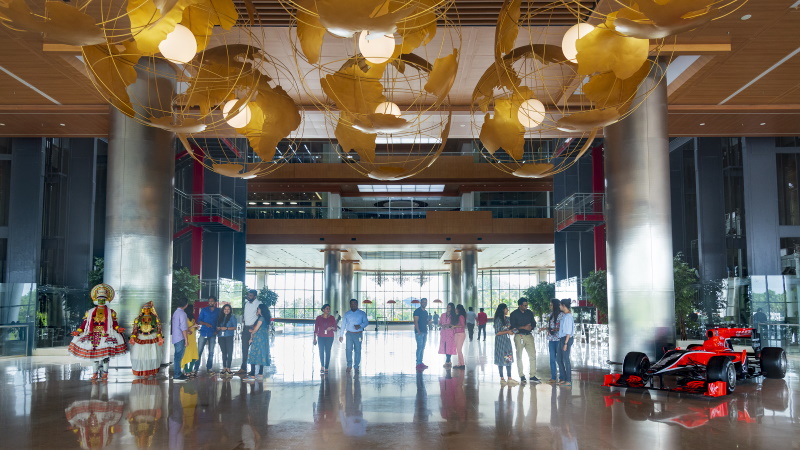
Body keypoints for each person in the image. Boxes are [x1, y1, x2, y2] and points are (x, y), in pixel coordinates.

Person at [68, 284, 128, 382]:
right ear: (96, 299)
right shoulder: (90, 312)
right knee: (94, 357)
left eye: (103, 299)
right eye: (99, 299)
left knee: (105, 357)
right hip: (93, 335)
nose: (101, 301)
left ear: (107, 299)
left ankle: (105, 374)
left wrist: (118, 329)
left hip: (106, 335)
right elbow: (84, 325)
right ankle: (95, 374)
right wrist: (78, 331)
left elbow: (114, 324)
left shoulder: (111, 312)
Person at [129, 301, 164, 379]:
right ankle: (145, 371)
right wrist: (133, 336)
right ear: (142, 310)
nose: (146, 310)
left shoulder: (155, 318)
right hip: (141, 337)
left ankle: (152, 370)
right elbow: (135, 329)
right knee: (142, 356)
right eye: (145, 309)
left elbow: (158, 329)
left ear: (151, 309)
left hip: (152, 337)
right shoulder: (138, 319)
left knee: (153, 354)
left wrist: (159, 336)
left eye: (148, 308)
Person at [509, 297, 540, 383]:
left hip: (529, 336)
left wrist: (531, 327)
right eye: (525, 305)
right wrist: (523, 327)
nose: (526, 307)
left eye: (527, 305)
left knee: (532, 355)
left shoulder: (529, 313)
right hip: (519, 336)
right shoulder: (513, 314)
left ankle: (532, 375)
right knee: (519, 356)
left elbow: (534, 323)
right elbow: (513, 327)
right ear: (520, 305)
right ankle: (521, 375)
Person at [340, 299, 369, 373]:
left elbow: (366, 322)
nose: (353, 305)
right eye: (352, 304)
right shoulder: (347, 314)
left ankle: (356, 366)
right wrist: (341, 335)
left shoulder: (362, 313)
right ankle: (349, 365)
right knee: (348, 349)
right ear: (350, 305)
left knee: (358, 350)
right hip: (349, 334)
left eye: (354, 304)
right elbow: (343, 325)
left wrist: (360, 326)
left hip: (358, 334)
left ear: (357, 304)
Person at [245, 304, 271, 381]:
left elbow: (256, 329)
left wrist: (251, 333)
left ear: (261, 310)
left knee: (253, 354)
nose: (257, 310)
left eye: (258, 309)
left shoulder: (261, 318)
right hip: (264, 339)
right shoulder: (266, 318)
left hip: (258, 339)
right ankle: (260, 373)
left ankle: (252, 375)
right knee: (262, 354)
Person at [196, 296, 222, 374]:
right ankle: (196, 368)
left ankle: (209, 368)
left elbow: (220, 321)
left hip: (213, 333)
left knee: (211, 352)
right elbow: (199, 321)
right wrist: (206, 324)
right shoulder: (204, 310)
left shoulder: (218, 311)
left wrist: (217, 331)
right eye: (209, 301)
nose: (211, 302)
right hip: (203, 332)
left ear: (215, 302)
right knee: (199, 351)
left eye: (212, 301)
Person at [239, 290, 262, 374]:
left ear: (255, 296)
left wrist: (254, 327)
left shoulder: (259, 303)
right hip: (245, 329)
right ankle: (243, 368)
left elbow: (260, 317)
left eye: (250, 295)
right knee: (244, 349)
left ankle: (254, 370)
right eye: (248, 295)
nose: (249, 297)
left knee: (254, 350)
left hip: (254, 329)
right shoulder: (246, 304)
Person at [493, 303, 517, 385]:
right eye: (506, 308)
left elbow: (511, 327)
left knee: (508, 357)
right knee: (500, 358)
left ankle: (509, 378)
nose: (507, 310)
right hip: (500, 342)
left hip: (507, 341)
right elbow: (497, 332)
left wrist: (513, 331)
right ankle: (502, 378)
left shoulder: (507, 319)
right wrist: (507, 332)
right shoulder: (498, 320)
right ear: (502, 309)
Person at [171, 297, 190, 380]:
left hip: (176, 337)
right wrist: (186, 340)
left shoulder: (176, 312)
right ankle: (177, 374)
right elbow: (183, 328)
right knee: (178, 357)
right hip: (180, 338)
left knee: (177, 357)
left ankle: (178, 373)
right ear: (186, 305)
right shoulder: (182, 313)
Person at [314, 303, 337, 375]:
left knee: (327, 352)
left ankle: (326, 367)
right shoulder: (318, 318)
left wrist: (331, 328)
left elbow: (335, 328)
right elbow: (316, 329)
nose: (328, 310)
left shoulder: (332, 318)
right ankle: (322, 366)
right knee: (321, 351)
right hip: (320, 337)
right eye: (327, 308)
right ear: (323, 309)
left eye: (329, 309)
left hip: (329, 337)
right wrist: (314, 339)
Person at [557, 299, 575, 387]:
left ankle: (568, 380)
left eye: (560, 305)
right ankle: (563, 378)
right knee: (559, 359)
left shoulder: (568, 317)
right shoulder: (565, 315)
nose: (559, 306)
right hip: (562, 338)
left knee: (566, 359)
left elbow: (568, 332)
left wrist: (565, 343)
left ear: (564, 305)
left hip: (566, 339)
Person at [217, 304, 237, 377]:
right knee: (224, 352)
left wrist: (227, 328)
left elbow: (235, 327)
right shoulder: (220, 317)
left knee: (229, 352)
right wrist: (218, 328)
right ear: (223, 310)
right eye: (225, 309)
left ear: (230, 310)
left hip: (229, 336)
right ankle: (224, 368)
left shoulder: (232, 317)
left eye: (228, 309)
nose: (226, 310)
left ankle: (228, 368)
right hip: (221, 336)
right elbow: (217, 326)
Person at [545, 299, 562, 383]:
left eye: (551, 305)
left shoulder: (561, 315)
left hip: (558, 339)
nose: (550, 306)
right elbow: (549, 326)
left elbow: (562, 327)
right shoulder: (550, 315)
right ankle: (553, 377)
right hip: (551, 339)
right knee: (552, 359)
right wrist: (546, 329)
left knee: (559, 359)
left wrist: (555, 329)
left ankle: (562, 377)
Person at [413, 298, 431, 371]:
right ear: (420, 303)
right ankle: (418, 363)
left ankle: (421, 362)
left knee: (422, 348)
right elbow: (416, 322)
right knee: (419, 348)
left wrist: (428, 322)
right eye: (423, 302)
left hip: (424, 331)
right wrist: (418, 331)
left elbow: (425, 322)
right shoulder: (417, 311)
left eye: (425, 302)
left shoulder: (426, 312)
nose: (424, 303)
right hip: (419, 332)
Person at [181, 309, 200, 376]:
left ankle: (190, 369)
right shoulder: (185, 319)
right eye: (193, 309)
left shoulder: (193, 319)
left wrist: (196, 327)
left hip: (193, 339)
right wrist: (193, 326)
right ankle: (186, 370)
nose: (194, 311)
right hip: (187, 338)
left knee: (194, 354)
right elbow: (183, 329)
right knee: (186, 354)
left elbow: (194, 328)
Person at [438, 303, 458, 368]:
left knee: (449, 346)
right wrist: (442, 325)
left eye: (449, 307)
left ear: (452, 308)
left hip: (450, 333)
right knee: (445, 346)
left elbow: (455, 325)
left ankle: (447, 360)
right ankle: (448, 361)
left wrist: (449, 325)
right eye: (447, 307)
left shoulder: (454, 316)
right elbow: (439, 323)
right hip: (443, 333)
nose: (448, 308)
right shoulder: (443, 315)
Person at [453, 305, 467, 369]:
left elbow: (463, 325)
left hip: (460, 334)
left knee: (459, 350)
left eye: (456, 309)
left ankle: (462, 364)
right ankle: (460, 364)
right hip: (456, 334)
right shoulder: (457, 316)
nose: (455, 310)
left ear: (459, 309)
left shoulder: (461, 316)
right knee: (458, 350)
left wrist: (455, 326)